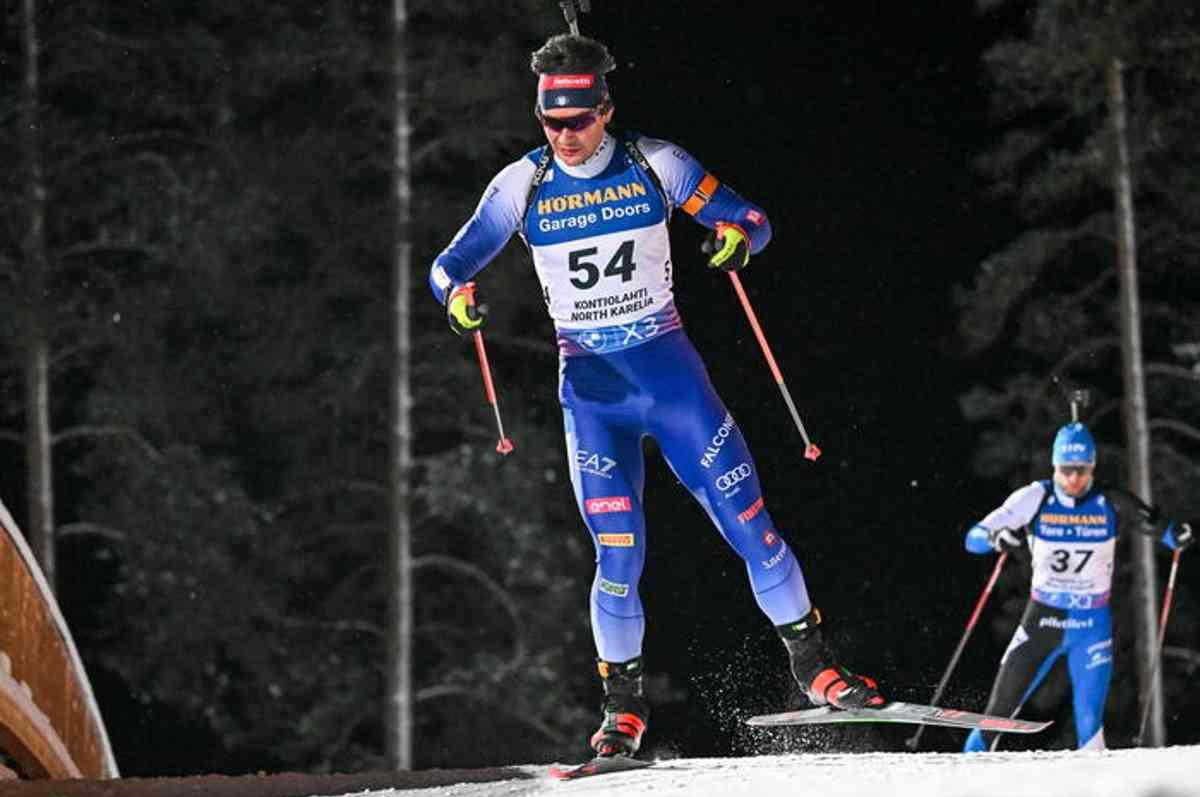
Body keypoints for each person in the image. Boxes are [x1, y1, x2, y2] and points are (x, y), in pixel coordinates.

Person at [428, 33, 884, 758]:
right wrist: (458, 297)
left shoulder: (656, 163)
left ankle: (814, 667)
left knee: (752, 527)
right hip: (593, 395)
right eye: (552, 123)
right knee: (619, 554)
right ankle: (622, 708)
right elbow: (448, 264)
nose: (565, 137)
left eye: (578, 121)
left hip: (673, 384)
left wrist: (736, 236)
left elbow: (754, 221)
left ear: (605, 110)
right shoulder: (524, 182)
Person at [960, 421, 1193, 752]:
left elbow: (1159, 527)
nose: (1073, 479)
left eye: (1082, 470)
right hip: (1043, 619)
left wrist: (1177, 535)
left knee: (1090, 727)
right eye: (1066, 469)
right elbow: (973, 538)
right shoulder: (1035, 497)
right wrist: (996, 537)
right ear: (1055, 466)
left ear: (1092, 467)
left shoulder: (1110, 501)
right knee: (996, 715)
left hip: (1091, 626)